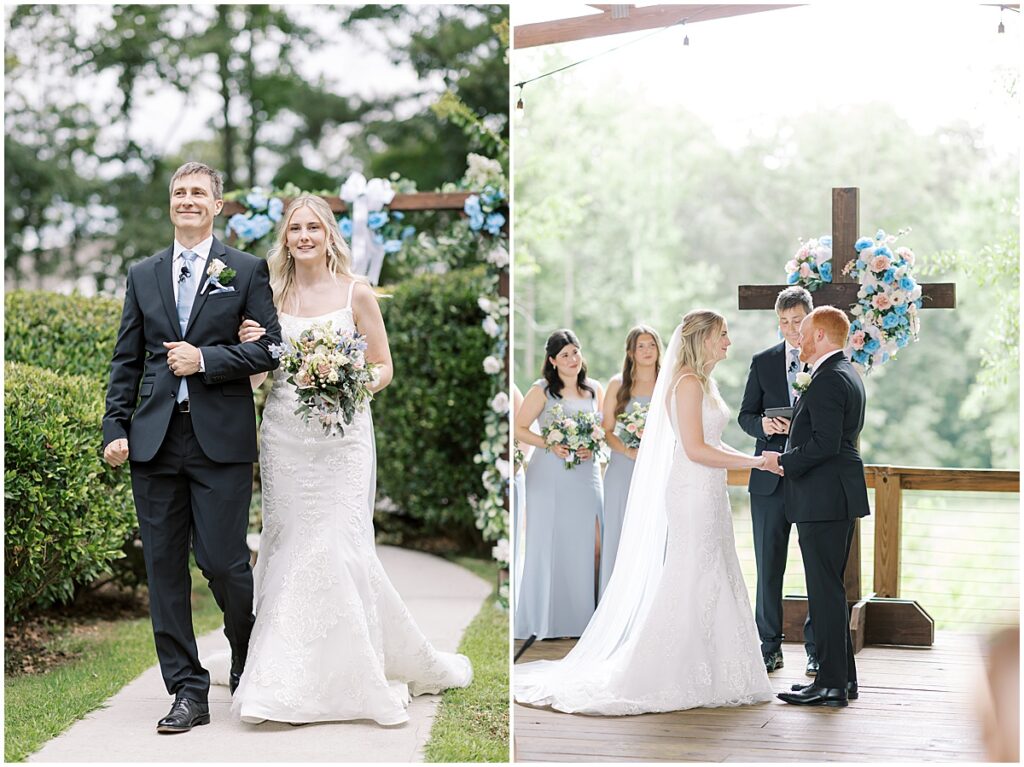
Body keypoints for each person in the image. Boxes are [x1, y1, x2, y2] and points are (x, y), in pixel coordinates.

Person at [232, 195, 472, 725]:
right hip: (286, 439)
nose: (303, 236)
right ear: (285, 237)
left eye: (313, 227)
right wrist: (248, 344)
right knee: (291, 547)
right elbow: (255, 378)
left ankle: (354, 674)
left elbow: (384, 365)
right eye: (295, 228)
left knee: (339, 548)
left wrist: (350, 381)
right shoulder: (268, 294)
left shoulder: (356, 291)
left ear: (328, 234)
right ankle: (283, 680)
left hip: (343, 439)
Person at [514, 310, 776, 715]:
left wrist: (754, 458)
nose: (728, 342)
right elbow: (695, 450)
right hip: (691, 489)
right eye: (723, 335)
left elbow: (713, 443)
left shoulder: (703, 382)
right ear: (704, 338)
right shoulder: (686, 383)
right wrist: (757, 463)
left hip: (710, 490)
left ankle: (721, 669)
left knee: (717, 570)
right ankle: (670, 667)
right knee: (691, 572)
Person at [102, 161, 282, 733]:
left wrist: (206, 360)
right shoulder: (143, 273)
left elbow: (271, 350)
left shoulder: (246, 270)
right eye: (179, 192)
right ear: (170, 204)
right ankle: (187, 690)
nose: (188, 200)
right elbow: (127, 358)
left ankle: (243, 646)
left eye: (198, 192)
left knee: (224, 562)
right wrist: (115, 426)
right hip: (154, 440)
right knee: (164, 569)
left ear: (217, 204)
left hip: (220, 439)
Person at [768, 306, 870, 708]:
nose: (800, 339)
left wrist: (785, 461)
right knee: (829, 591)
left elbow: (825, 444)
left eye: (806, 333)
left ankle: (829, 685)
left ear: (823, 337)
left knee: (825, 592)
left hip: (824, 499)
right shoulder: (846, 373)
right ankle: (842, 681)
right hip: (834, 497)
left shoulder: (828, 380)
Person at [738, 286, 817, 675]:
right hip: (768, 480)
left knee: (815, 566)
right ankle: (769, 646)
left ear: (810, 319)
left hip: (811, 478)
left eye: (797, 321)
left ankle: (817, 649)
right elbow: (744, 415)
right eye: (784, 322)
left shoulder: (823, 362)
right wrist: (764, 423)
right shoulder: (763, 361)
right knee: (768, 566)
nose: (791, 329)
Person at [513, 330, 604, 640]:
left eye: (575, 352)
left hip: (586, 474)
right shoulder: (541, 391)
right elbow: (519, 429)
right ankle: (546, 622)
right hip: (549, 476)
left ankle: (582, 622)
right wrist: (549, 443)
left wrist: (594, 446)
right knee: (549, 545)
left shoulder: (594, 390)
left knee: (591, 546)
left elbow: (602, 432)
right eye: (564, 355)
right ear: (552, 361)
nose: (572, 359)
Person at [598, 325, 661, 598]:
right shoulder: (617, 384)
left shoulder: (668, 383)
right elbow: (606, 431)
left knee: (652, 535)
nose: (647, 351)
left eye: (651, 345)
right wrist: (628, 451)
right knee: (619, 534)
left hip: (656, 469)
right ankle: (615, 602)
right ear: (631, 352)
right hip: (623, 468)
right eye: (640, 346)